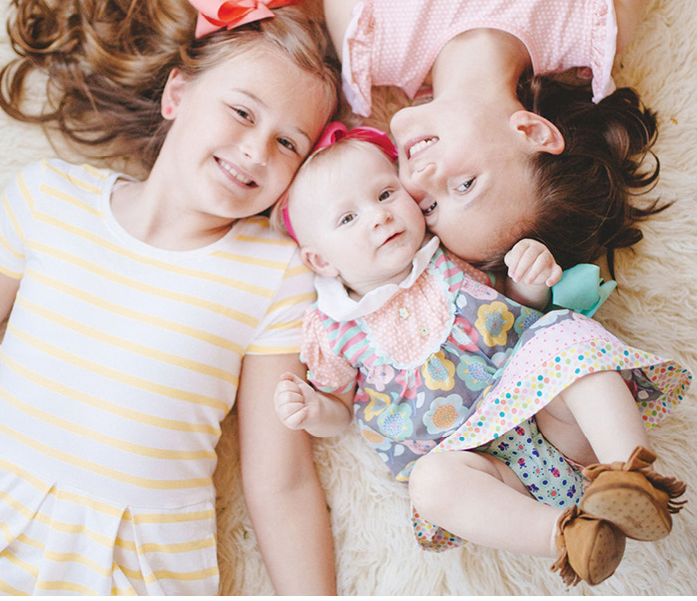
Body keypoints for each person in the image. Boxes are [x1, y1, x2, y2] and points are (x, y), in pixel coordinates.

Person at [0, 0, 342, 595]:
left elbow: (279, 478)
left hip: (137, 570)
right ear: (177, 94)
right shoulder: (47, 199)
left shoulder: (276, 272)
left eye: (287, 142)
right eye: (240, 111)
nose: (255, 150)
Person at [272, 124, 689, 587]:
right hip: (492, 477)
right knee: (430, 484)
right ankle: (569, 537)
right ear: (321, 262)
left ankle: (631, 474)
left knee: (563, 335)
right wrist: (313, 410)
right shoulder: (333, 328)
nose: (378, 217)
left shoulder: (448, 257)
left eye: (387, 193)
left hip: (554, 419)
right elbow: (340, 413)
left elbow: (520, 312)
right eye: (347, 219)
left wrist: (531, 274)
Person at [295, 0, 681, 274]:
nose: (421, 179)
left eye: (428, 207)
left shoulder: (368, 42)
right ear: (533, 132)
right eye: (465, 185)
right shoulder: (596, 27)